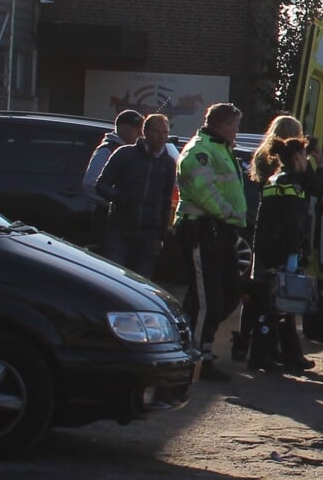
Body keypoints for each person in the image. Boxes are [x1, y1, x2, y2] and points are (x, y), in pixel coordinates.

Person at [175, 103, 247, 356]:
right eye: (236, 126)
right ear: (224, 125)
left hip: (220, 231)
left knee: (227, 294)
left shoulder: (220, 148)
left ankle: (192, 341)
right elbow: (206, 193)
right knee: (208, 299)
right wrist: (231, 215)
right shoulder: (200, 151)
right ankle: (199, 356)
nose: (237, 132)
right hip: (203, 231)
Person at [240, 137, 316, 373]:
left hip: (268, 248)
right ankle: (262, 356)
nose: (307, 160)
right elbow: (293, 223)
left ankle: (289, 355)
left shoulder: (274, 179)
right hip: (281, 251)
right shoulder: (291, 184)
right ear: (296, 157)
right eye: (305, 156)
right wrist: (294, 253)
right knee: (275, 306)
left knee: (277, 306)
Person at [94, 112, 177, 278]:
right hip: (120, 227)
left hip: (148, 232)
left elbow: (166, 200)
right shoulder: (125, 154)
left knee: (142, 282)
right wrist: (123, 198)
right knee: (114, 277)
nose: (162, 137)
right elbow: (101, 185)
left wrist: (161, 235)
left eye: (165, 133)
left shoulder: (167, 163)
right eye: (157, 132)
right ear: (145, 132)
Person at [83, 109, 143, 193]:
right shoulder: (107, 150)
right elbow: (90, 183)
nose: (140, 133)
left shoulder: (135, 151)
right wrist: (114, 200)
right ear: (122, 128)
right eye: (136, 128)